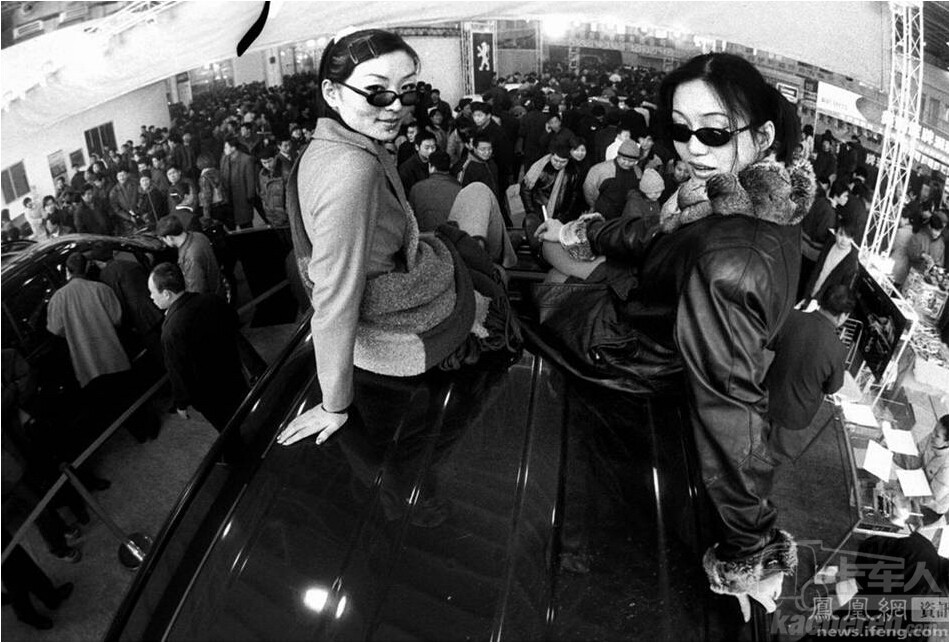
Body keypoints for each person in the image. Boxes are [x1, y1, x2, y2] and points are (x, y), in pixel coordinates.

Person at [533, 53, 814, 615]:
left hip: (623, 367)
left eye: (714, 131)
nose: (692, 148)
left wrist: (750, 552)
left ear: (762, 135)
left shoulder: (732, 260)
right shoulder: (750, 196)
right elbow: (663, 233)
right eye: (681, 130)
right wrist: (592, 233)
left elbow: (730, 405)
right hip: (634, 345)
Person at [278, 28, 518, 447]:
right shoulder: (352, 170)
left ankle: (502, 271)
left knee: (477, 205)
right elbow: (334, 294)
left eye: (405, 90)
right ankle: (505, 273)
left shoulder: (326, 145)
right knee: (482, 209)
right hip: (402, 323)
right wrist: (334, 403)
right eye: (376, 92)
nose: (395, 106)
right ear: (332, 92)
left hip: (398, 288)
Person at [148, 262, 247, 433]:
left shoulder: (171, 330)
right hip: (233, 373)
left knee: (228, 429)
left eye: (152, 292)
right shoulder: (211, 300)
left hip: (209, 394)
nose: (151, 297)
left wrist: (181, 403)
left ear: (166, 294)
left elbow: (177, 370)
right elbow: (234, 323)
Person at [765, 284, 852, 462]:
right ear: (843, 316)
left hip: (766, 397)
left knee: (749, 445)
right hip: (794, 417)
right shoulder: (838, 349)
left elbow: (771, 344)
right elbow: (832, 388)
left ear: (821, 301)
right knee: (773, 460)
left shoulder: (792, 317)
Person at [798, 220, 859, 305]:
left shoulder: (851, 262)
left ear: (852, 238)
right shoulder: (829, 244)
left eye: (848, 236)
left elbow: (843, 292)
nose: (844, 240)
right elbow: (817, 269)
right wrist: (806, 294)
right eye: (841, 234)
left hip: (824, 304)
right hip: (810, 294)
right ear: (835, 233)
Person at [408, 149, 462, 232]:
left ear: (430, 166)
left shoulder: (416, 188)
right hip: (449, 236)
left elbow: (411, 219)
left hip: (423, 236)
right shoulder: (459, 190)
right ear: (450, 165)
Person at [220, 136, 257, 229]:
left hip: (242, 197)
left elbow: (250, 180)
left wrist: (250, 196)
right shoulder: (224, 158)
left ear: (233, 148)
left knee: (246, 224)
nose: (224, 150)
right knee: (230, 226)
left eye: (226, 147)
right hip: (228, 198)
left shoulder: (246, 159)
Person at [398, 129, 437, 195]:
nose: (431, 151)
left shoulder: (437, 162)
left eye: (433, 147)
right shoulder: (406, 168)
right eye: (426, 148)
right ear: (417, 147)